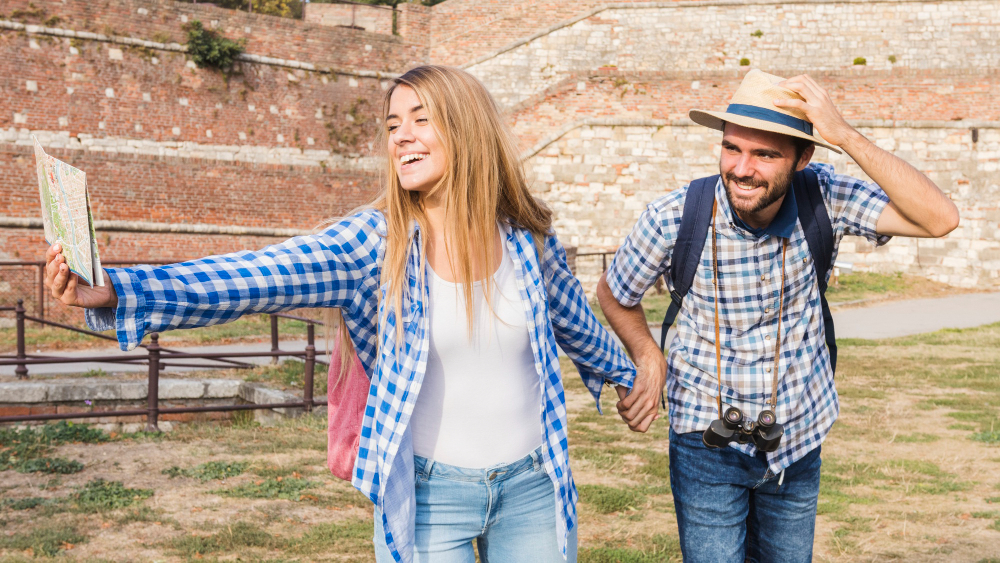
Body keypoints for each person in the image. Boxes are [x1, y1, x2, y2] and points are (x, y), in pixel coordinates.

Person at [44, 65, 636, 563]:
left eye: (421, 120)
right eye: (392, 125)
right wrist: (121, 290)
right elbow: (253, 278)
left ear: (470, 130)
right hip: (429, 495)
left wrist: (633, 375)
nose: (401, 136)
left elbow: (573, 322)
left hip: (535, 484)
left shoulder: (528, 241)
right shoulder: (373, 244)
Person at [597, 69, 959, 562]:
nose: (742, 168)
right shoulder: (675, 216)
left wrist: (845, 135)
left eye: (765, 154)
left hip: (798, 437)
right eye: (732, 148)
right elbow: (616, 291)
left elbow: (940, 218)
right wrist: (648, 355)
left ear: (802, 157)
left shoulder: (824, 197)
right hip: (705, 442)